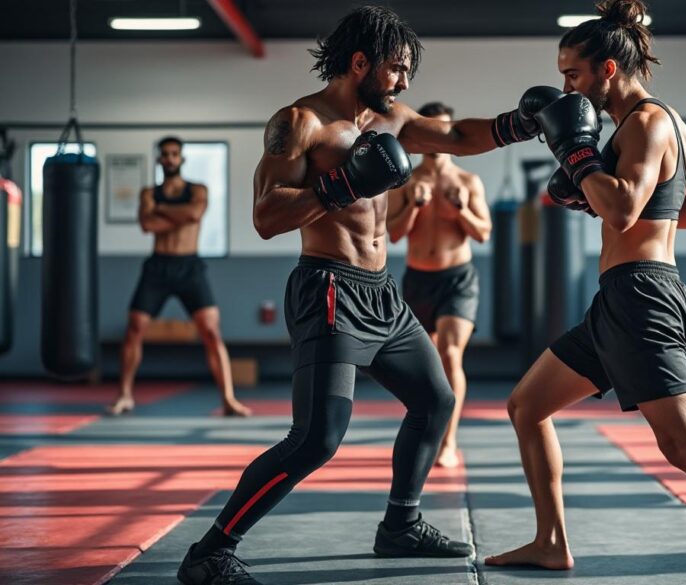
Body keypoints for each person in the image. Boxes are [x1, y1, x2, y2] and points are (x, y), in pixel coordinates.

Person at [177, 7, 562, 584]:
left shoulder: (392, 118)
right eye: (397, 69)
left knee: (435, 402)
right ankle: (210, 551)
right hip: (328, 289)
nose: (406, 82)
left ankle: (400, 526)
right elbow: (264, 216)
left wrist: (521, 124)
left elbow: (458, 136)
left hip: (383, 294)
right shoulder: (300, 122)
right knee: (316, 439)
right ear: (360, 62)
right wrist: (342, 184)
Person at [483, 2, 686, 584]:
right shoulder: (673, 123)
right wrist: (604, 197)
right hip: (622, 298)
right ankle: (551, 541)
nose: (566, 88)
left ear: (607, 69)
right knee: (527, 406)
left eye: (573, 75)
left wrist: (579, 161)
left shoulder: (647, 124)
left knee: (683, 443)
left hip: (641, 297)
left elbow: (625, 208)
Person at [109, 136, 250, 417]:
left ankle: (228, 399)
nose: (170, 158)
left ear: (182, 158)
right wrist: (179, 215)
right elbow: (148, 225)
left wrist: (162, 211)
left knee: (211, 332)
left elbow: (195, 213)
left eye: (175, 154)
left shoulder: (197, 189)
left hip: (190, 267)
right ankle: (125, 395)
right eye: (165, 154)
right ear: (160, 159)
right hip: (158, 267)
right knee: (134, 329)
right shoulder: (148, 192)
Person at [386, 101, 492, 469]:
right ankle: (425, 433)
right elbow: (394, 235)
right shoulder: (404, 180)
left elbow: (483, 234)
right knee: (423, 365)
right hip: (418, 278)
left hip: (457, 281)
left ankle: (449, 442)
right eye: (432, 131)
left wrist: (461, 209)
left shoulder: (467, 182)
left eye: (444, 131)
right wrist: (413, 206)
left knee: (449, 354)